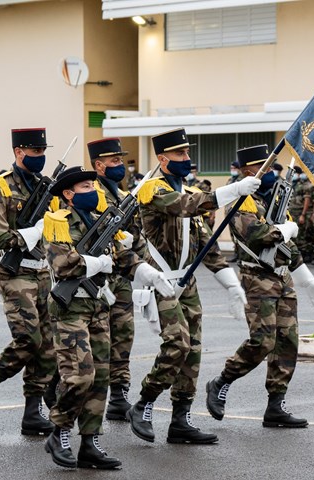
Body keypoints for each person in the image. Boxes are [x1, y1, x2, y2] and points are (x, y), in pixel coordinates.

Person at [126, 127, 260, 444]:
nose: (187, 157)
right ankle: (144, 402)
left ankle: (180, 419)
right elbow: (186, 205)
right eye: (180, 153)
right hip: (161, 282)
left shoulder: (187, 190)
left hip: (187, 284)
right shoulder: (153, 190)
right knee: (178, 345)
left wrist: (232, 285)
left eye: (188, 152)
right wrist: (234, 190)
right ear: (162, 159)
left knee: (193, 352)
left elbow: (207, 247)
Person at [42, 166, 174, 469]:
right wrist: (96, 263)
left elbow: (121, 257)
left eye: (93, 185)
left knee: (101, 378)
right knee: (80, 376)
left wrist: (148, 273)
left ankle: (90, 442)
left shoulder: (101, 222)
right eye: (86, 187)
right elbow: (63, 263)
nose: (94, 191)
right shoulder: (57, 222)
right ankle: (60, 431)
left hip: (98, 308)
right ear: (68, 194)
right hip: (70, 309)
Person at [205, 145, 314, 429]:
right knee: (262, 341)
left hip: (283, 279)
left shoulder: (274, 198)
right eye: (265, 166)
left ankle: (276, 405)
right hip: (257, 279)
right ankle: (221, 381)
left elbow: (287, 247)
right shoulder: (241, 200)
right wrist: (286, 229)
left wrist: (307, 279)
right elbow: (257, 235)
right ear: (248, 170)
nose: (271, 171)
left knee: (287, 342)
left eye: (272, 166)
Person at [0, 128, 56, 436]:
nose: (40, 157)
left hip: (43, 273)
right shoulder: (1, 186)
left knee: (47, 345)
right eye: (35, 152)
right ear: (19, 152)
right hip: (15, 272)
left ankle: (33, 412)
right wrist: (31, 232)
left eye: (43, 151)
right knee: (29, 339)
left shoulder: (47, 187)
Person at [86, 138, 143, 421]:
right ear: (99, 165)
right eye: (115, 161)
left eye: (120, 160)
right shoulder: (90, 194)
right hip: (99, 278)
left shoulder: (122, 195)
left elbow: (137, 236)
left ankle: (119, 396)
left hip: (122, 278)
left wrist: (145, 269)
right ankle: (80, 398)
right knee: (97, 342)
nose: (120, 165)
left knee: (123, 335)